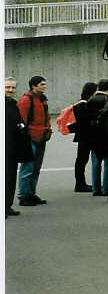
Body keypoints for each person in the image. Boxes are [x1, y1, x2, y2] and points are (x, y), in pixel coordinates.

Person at [17, 75, 51, 207]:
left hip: (41, 138)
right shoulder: (26, 100)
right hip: (30, 139)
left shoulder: (43, 99)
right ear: (34, 86)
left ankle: (31, 193)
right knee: (28, 169)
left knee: (36, 168)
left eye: (44, 84)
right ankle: (24, 196)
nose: (44, 86)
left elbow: (46, 116)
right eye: (42, 84)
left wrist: (47, 128)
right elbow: (21, 121)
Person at [5, 78, 31, 217]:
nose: (10, 90)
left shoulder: (13, 104)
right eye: (7, 87)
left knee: (10, 178)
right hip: (5, 148)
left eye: (13, 88)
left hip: (12, 148)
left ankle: (7, 205)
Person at [85, 79, 108, 196]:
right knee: (107, 163)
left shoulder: (91, 100)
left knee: (96, 163)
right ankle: (106, 188)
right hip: (106, 136)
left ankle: (96, 189)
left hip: (94, 136)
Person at [70, 82, 97, 192]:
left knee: (81, 160)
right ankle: (80, 184)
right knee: (82, 160)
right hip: (86, 136)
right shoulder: (84, 104)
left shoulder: (80, 103)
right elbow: (85, 122)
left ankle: (80, 183)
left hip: (82, 136)